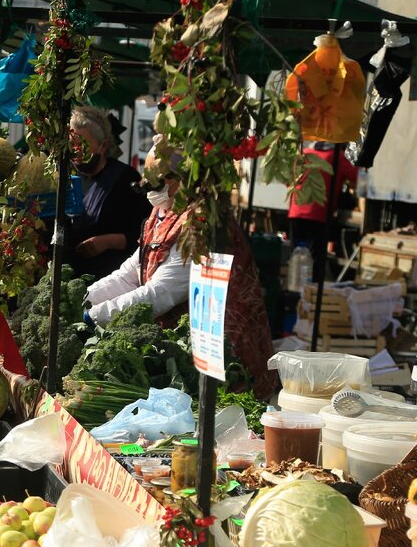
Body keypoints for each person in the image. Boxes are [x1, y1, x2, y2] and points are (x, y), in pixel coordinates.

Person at [86, 139, 278, 399]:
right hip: (188, 350)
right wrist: (86, 298)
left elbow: (161, 292)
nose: (148, 189)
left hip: (227, 352)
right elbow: (132, 273)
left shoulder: (201, 221)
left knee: (229, 417)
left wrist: (96, 315)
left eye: (156, 181)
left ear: (182, 178)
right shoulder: (162, 212)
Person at [68, 106, 148, 281]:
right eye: (73, 144)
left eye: (83, 144)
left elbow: (144, 233)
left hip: (108, 279)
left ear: (103, 146)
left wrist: (106, 241)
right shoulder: (62, 177)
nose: (77, 151)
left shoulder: (125, 179)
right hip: (67, 275)